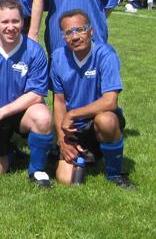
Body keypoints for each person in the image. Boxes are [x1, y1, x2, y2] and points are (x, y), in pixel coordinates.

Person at [0, 0, 54, 187]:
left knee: (43, 117)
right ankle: (11, 152)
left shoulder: (34, 51)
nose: (11, 27)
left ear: (23, 22)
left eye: (15, 21)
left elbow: (36, 94)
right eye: (5, 22)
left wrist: (3, 112)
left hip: (20, 112)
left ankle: (37, 171)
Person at [51, 10, 136, 188]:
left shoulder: (106, 54)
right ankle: (89, 155)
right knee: (66, 180)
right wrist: (62, 140)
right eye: (68, 32)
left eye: (80, 30)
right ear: (63, 37)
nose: (75, 37)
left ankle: (114, 174)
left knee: (106, 120)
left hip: (98, 120)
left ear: (91, 31)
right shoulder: (58, 57)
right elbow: (58, 101)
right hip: (74, 128)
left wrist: (73, 114)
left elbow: (110, 101)